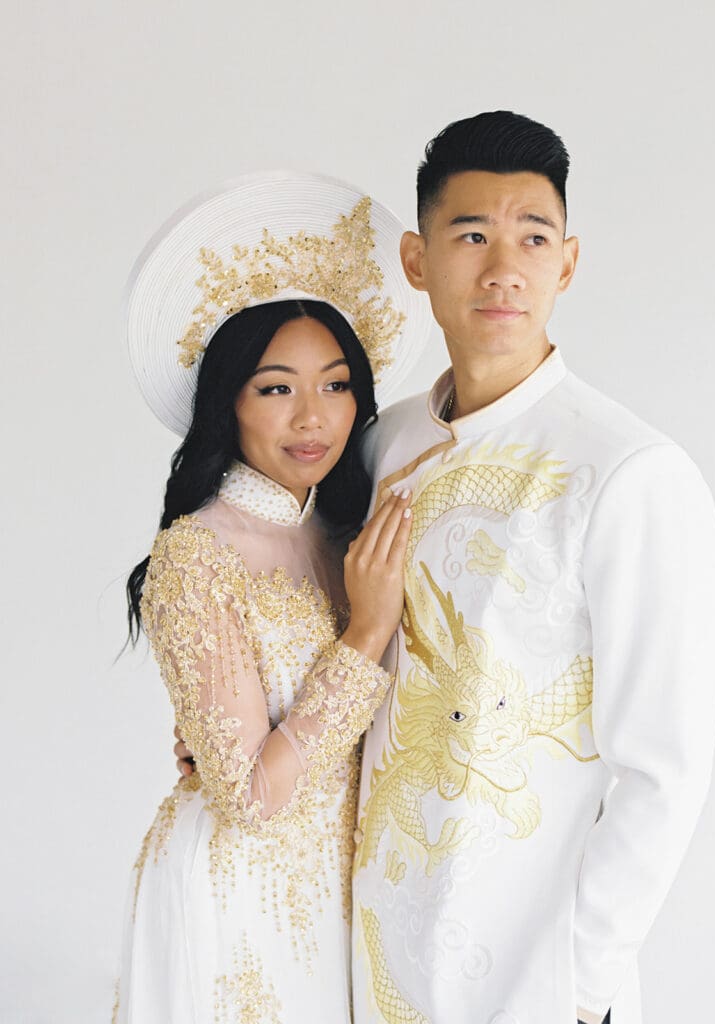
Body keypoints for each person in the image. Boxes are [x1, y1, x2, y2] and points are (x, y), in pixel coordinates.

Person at [347, 112, 715, 1024]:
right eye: (470, 235)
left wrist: (578, 987)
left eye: (532, 236)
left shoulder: (628, 472)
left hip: (525, 974)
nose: (501, 267)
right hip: (370, 946)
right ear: (415, 258)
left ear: (568, 262)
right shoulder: (381, 441)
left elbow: (661, 773)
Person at [114, 173, 430, 1023]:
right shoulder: (196, 555)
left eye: (334, 384)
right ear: (230, 402)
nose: (312, 418)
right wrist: (363, 636)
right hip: (241, 895)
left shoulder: (348, 536)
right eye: (275, 387)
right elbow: (249, 798)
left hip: (350, 888)